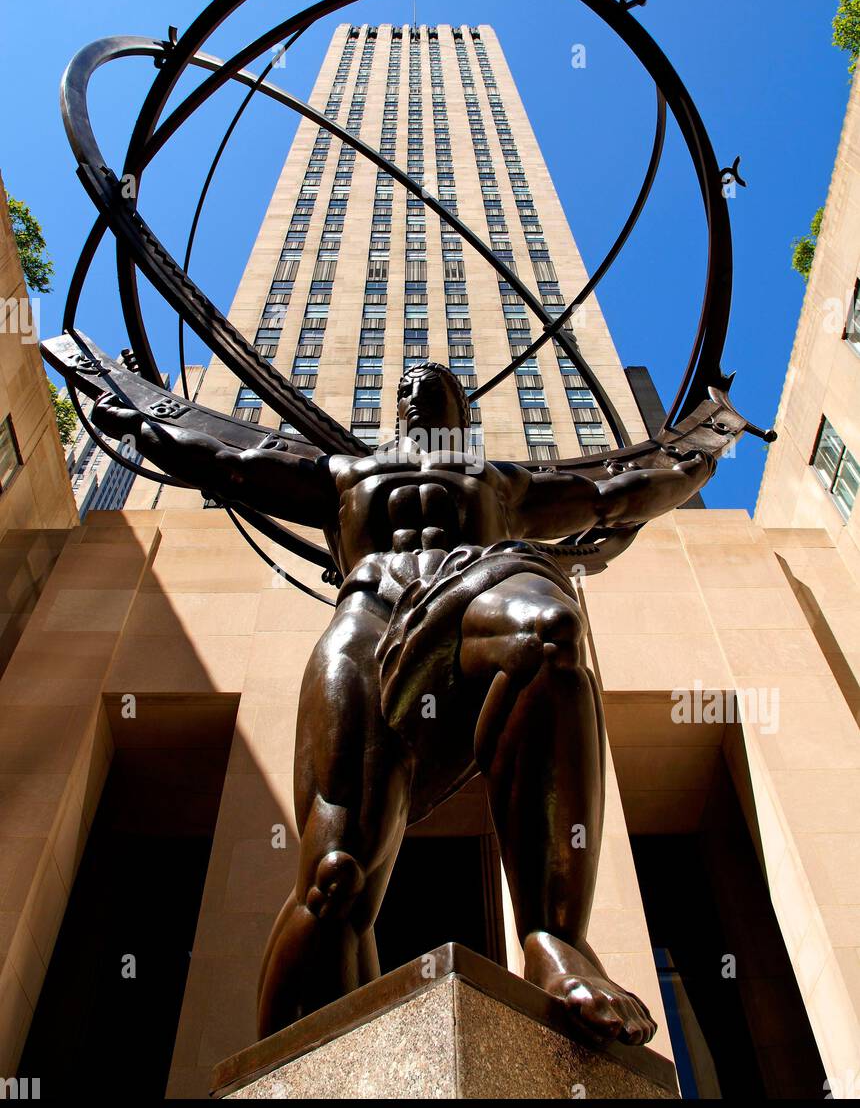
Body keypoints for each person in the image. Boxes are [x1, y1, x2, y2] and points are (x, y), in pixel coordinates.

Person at [94, 361, 713, 1045]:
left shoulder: (499, 482)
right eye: (407, 388)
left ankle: (552, 938)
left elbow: (610, 495)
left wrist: (699, 459)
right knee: (336, 878)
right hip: (368, 616)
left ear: (463, 411)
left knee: (549, 634)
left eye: (436, 386)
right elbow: (230, 466)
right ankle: (282, 1063)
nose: (417, 393)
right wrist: (139, 428)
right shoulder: (343, 475)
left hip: (472, 597)